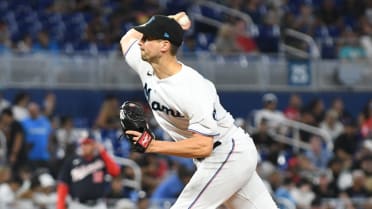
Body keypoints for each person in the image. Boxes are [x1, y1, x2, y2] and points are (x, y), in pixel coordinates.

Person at [119, 11, 278, 209]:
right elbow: (127, 39)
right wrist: (172, 20)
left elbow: (204, 145)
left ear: (164, 46)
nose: (140, 42)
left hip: (227, 153)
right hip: (216, 157)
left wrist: (152, 146)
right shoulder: (146, 65)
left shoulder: (193, 87)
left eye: (147, 38)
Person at [57, 137, 121, 209]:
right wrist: (60, 206)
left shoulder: (101, 159)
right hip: (78, 205)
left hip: (98, 204)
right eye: (83, 144)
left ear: (94, 145)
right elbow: (63, 184)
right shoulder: (72, 161)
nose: (85, 147)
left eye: (88, 144)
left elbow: (115, 172)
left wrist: (103, 152)